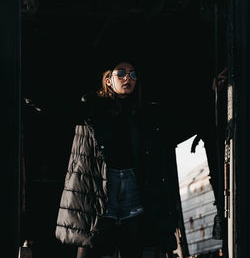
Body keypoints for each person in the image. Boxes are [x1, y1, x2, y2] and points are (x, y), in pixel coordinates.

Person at [55, 60, 181, 258]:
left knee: (132, 246)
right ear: (108, 80)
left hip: (132, 183)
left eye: (132, 74)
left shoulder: (143, 112)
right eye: (121, 73)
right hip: (99, 184)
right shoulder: (91, 108)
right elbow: (56, 108)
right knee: (89, 244)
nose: (127, 78)